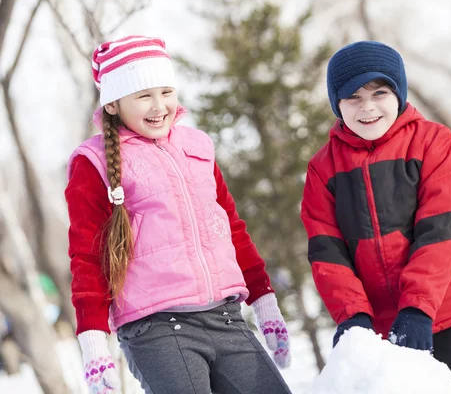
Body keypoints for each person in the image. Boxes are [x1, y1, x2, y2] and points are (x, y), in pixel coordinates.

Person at [66, 35, 291, 394]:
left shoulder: (197, 146)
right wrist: (94, 343)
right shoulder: (93, 163)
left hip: (226, 319)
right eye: (143, 96)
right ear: (113, 104)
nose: (159, 106)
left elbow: (230, 227)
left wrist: (264, 303)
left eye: (166, 92)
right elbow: (87, 256)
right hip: (156, 330)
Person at [300, 41, 451, 394]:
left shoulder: (432, 142)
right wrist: (354, 319)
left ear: (398, 92)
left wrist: (418, 308)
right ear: (337, 103)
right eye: (352, 96)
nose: (367, 107)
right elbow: (326, 251)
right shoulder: (323, 168)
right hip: (381, 332)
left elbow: (442, 229)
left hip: (449, 312)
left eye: (378, 92)